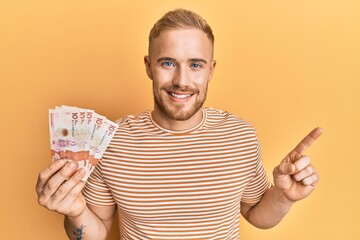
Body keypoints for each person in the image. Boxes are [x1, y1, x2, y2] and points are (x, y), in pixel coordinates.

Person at [36, 8, 323, 240]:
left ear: (211, 70)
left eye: (195, 65)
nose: (182, 81)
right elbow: (93, 234)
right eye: (168, 63)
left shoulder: (241, 136)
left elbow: (257, 215)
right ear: (149, 66)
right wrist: (75, 212)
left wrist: (284, 197)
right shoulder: (112, 140)